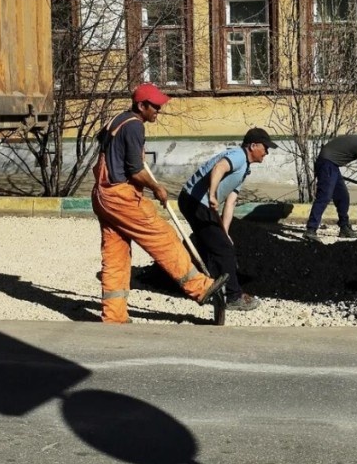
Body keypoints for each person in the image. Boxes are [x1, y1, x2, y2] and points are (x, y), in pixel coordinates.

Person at [91, 83, 228, 323]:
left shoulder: (118, 120)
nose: (158, 110)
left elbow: (105, 143)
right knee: (163, 238)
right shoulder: (134, 126)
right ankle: (201, 287)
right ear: (141, 105)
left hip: (102, 194)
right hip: (121, 197)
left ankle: (114, 316)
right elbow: (135, 170)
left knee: (115, 254)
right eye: (155, 106)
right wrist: (157, 188)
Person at [178, 128, 277, 311]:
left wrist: (225, 232)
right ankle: (233, 297)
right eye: (265, 147)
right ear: (253, 146)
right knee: (222, 248)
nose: (267, 152)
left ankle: (206, 286)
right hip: (195, 201)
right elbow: (219, 167)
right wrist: (212, 193)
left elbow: (230, 203)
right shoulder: (238, 155)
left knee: (216, 243)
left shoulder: (244, 168)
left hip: (195, 202)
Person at [303, 126, 357, 241]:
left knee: (343, 196)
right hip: (327, 164)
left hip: (331, 165)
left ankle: (344, 227)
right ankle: (311, 230)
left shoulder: (355, 139)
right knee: (324, 196)